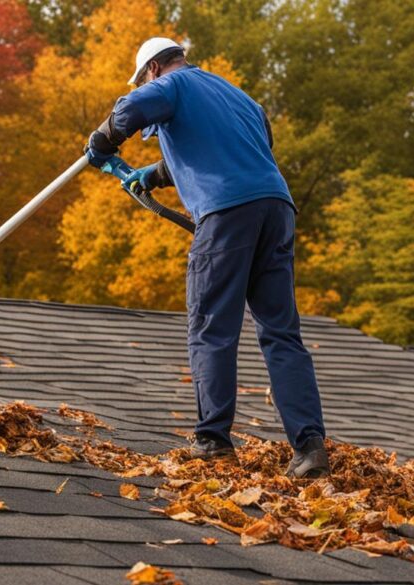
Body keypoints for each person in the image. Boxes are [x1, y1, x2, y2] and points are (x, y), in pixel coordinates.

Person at [84, 37, 329, 478]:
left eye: (144, 77)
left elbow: (128, 110)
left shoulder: (171, 85)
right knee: (281, 333)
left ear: (155, 69)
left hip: (226, 214)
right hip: (277, 209)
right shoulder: (239, 97)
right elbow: (240, 147)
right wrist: (157, 174)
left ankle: (212, 441)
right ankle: (310, 448)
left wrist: (103, 141)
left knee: (212, 326)